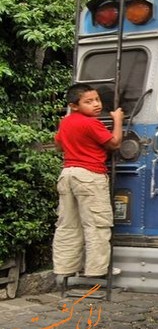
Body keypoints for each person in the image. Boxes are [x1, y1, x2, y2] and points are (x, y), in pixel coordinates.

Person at [52, 83, 124, 283]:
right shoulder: (91, 123)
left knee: (68, 224)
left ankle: (64, 268)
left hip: (67, 174)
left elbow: (59, 145)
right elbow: (115, 143)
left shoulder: (66, 122)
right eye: (89, 102)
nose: (96, 105)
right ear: (74, 105)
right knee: (96, 224)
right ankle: (96, 270)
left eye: (97, 100)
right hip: (90, 175)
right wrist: (117, 120)